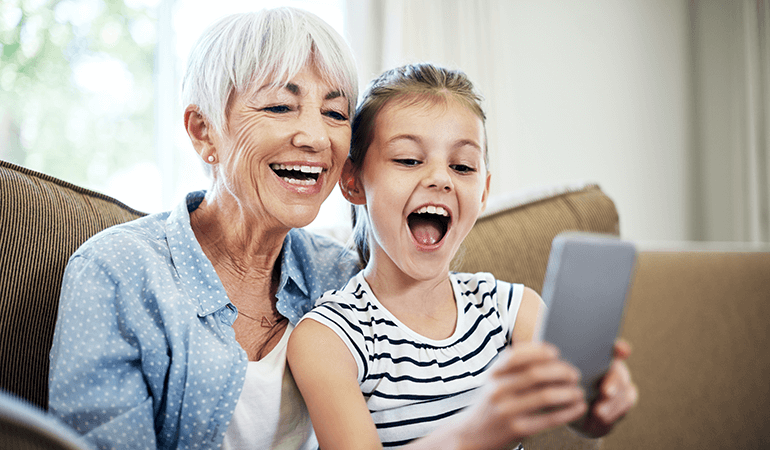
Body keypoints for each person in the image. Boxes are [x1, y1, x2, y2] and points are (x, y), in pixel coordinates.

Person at [48, 7, 360, 449]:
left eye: (335, 113)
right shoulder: (117, 273)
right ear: (203, 131)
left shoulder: (342, 277)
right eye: (279, 106)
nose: (316, 136)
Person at [287, 63, 638, 450]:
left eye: (462, 166)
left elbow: (583, 419)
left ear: (483, 192)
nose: (441, 178)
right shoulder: (328, 338)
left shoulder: (511, 310)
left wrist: (598, 401)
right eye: (408, 159)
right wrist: (481, 429)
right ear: (353, 181)